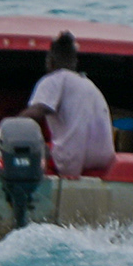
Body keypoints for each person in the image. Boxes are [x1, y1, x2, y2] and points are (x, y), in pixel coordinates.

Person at [25, 32, 116, 178]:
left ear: (50, 60)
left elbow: (37, 112)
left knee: (26, 149)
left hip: (69, 161)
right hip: (103, 160)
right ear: (75, 62)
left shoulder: (53, 80)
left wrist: (3, 127)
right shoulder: (90, 86)